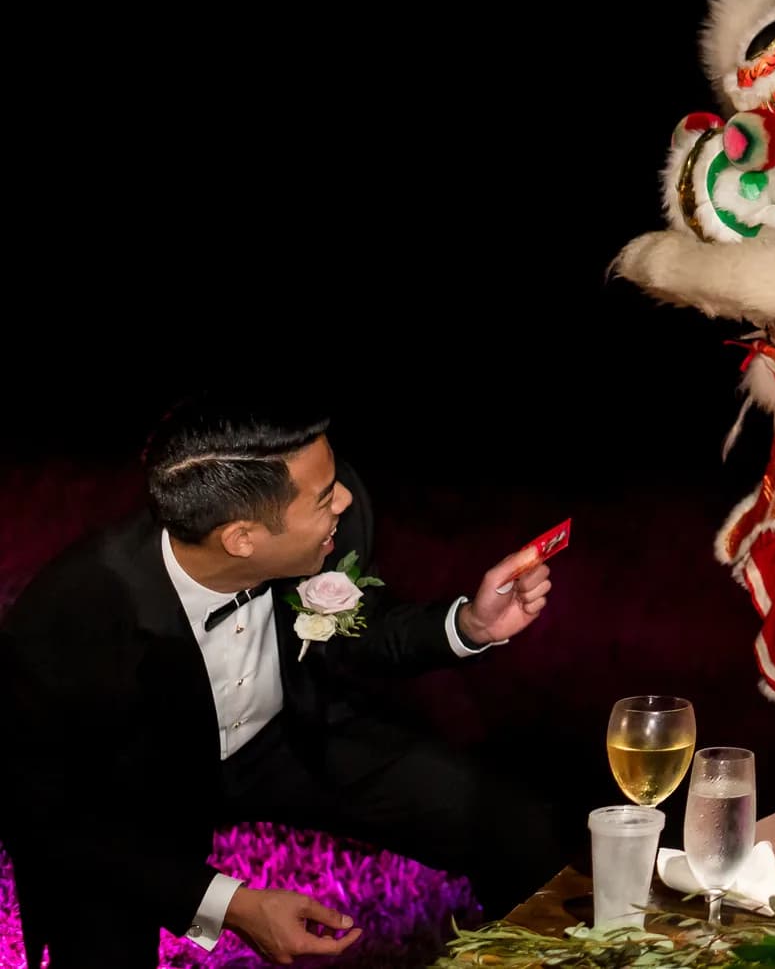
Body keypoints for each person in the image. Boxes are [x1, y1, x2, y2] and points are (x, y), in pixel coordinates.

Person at [0, 394, 566, 966]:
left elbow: (360, 629)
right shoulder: (70, 619)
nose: (344, 498)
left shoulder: (330, 521)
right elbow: (48, 810)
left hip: (286, 735)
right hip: (129, 790)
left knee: (512, 823)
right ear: (241, 539)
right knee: (98, 930)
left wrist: (469, 625)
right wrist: (232, 904)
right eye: (324, 498)